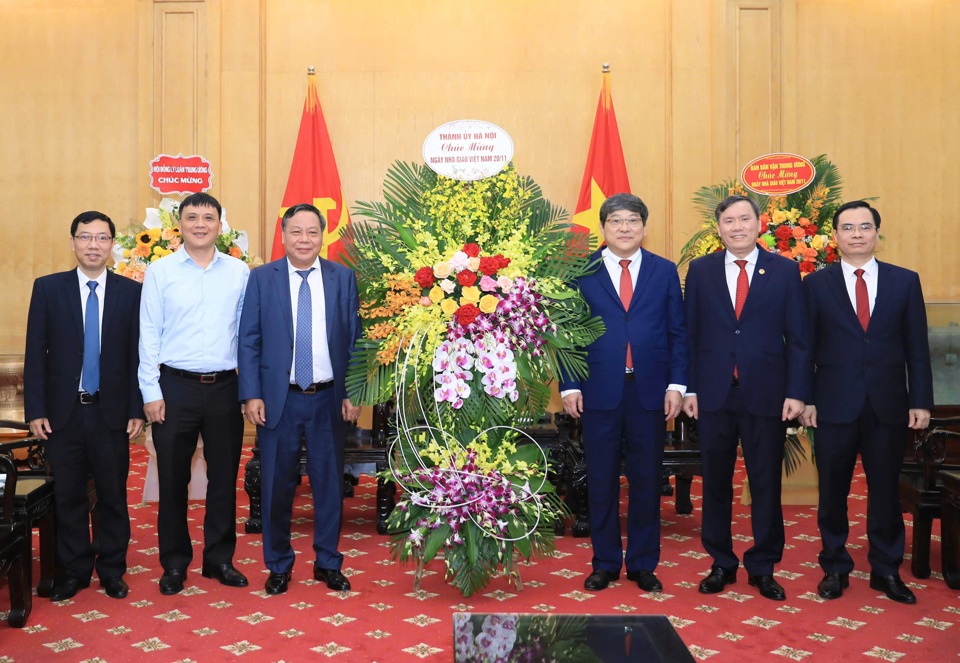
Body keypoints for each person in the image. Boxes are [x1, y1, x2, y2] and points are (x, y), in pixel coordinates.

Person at [800, 201, 932, 604]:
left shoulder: (905, 282)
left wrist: (921, 400)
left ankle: (886, 571)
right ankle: (834, 567)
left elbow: (917, 348)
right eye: (847, 227)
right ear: (835, 236)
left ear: (877, 232)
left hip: (889, 405)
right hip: (832, 405)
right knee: (832, 493)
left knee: (885, 492)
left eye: (864, 226)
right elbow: (803, 349)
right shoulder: (815, 285)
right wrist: (805, 399)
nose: (856, 234)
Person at [682, 194, 810, 601]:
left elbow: (801, 341)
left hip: (768, 395)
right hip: (714, 395)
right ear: (718, 228)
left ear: (759, 224)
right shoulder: (700, 271)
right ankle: (721, 562)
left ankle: (763, 565)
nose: (737, 227)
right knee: (716, 484)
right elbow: (689, 336)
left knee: (766, 482)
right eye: (729, 221)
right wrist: (690, 388)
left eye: (744, 219)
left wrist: (797, 393)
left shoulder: (786, 271)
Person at [559, 193, 688, 593]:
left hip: (650, 391)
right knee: (601, 480)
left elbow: (677, 331)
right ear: (603, 228)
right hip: (598, 390)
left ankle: (644, 563)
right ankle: (606, 562)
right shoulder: (581, 272)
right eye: (616, 221)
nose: (625, 228)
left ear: (644, 228)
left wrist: (677, 384)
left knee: (647, 479)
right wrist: (569, 383)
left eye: (632, 221)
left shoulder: (664, 271)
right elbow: (567, 334)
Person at [238, 203, 362, 594]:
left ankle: (327, 562)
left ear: (322, 235)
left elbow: (357, 340)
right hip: (279, 399)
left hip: (329, 398)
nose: (304, 239)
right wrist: (251, 394)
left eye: (312, 232)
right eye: (296, 231)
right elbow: (249, 340)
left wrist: (356, 392)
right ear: (284, 235)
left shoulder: (343, 277)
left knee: (330, 486)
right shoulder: (262, 278)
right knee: (276, 486)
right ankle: (278, 564)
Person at [24, 211, 144, 601]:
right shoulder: (48, 289)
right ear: (73, 242)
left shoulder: (131, 293)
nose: (94, 245)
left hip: (111, 414)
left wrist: (136, 408)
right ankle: (73, 571)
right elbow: (34, 355)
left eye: (102, 238)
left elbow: (137, 357)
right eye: (85, 237)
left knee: (112, 496)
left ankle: (112, 570)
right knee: (69, 496)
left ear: (112, 244)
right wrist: (36, 409)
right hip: (63, 414)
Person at [139, 192, 250, 595]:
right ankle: (174, 563)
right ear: (179, 225)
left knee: (224, 479)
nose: (200, 224)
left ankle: (219, 559)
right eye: (192, 218)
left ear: (220, 224)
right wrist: (150, 391)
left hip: (224, 386)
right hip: (174, 387)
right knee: (172, 479)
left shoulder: (239, 272)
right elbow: (148, 334)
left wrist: (249, 390)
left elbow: (246, 335)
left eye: (208, 217)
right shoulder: (161, 271)